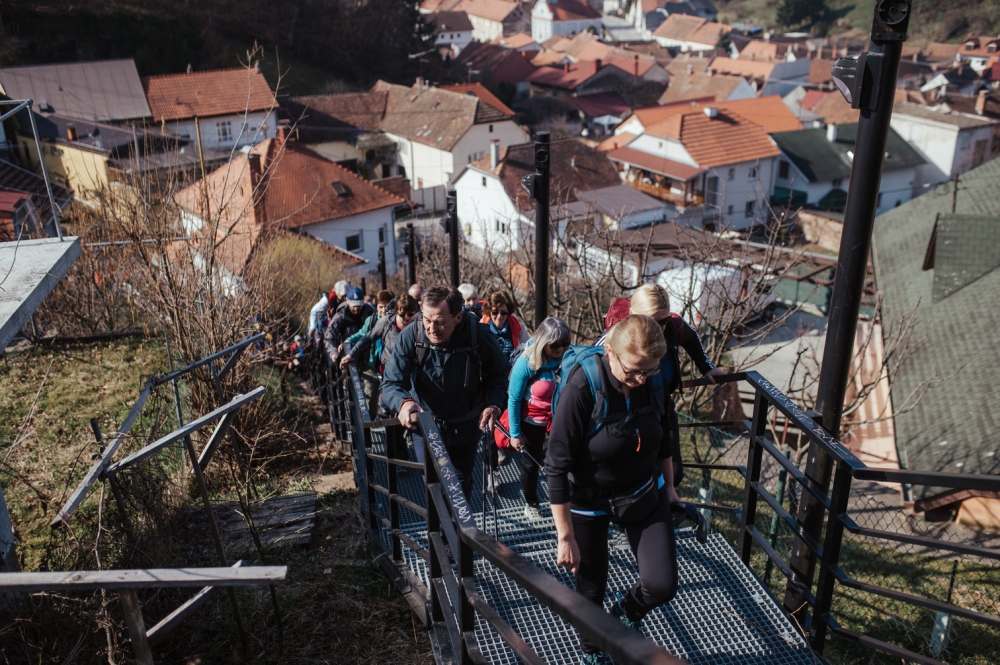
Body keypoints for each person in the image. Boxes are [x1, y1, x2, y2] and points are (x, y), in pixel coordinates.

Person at [545, 315, 681, 664]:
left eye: (649, 371)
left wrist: (670, 490)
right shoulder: (582, 388)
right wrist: (565, 536)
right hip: (590, 499)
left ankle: (626, 611)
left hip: (643, 490)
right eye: (634, 370)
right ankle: (593, 651)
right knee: (591, 589)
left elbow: (664, 434)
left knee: (661, 584)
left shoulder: (653, 380)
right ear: (610, 352)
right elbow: (556, 465)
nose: (640, 379)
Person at [381, 286, 509, 498]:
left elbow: (499, 376)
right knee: (434, 488)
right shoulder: (411, 335)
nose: (432, 328)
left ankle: (458, 532)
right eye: (427, 320)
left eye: (439, 321)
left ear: (458, 316)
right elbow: (390, 383)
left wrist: (494, 404)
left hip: (465, 426)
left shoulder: (478, 336)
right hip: (425, 426)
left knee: (459, 489)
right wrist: (403, 403)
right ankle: (440, 531)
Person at [630, 284, 726, 485]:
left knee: (673, 473)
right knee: (641, 471)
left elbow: (691, 337)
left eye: (663, 320)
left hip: (663, 404)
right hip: (631, 412)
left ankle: (664, 505)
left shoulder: (672, 327)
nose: (659, 328)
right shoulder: (620, 338)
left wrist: (706, 367)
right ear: (633, 316)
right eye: (652, 321)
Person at [507, 317, 570, 520]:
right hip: (531, 421)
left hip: (558, 418)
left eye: (564, 344)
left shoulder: (567, 357)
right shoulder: (527, 362)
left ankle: (565, 502)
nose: (560, 349)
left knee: (562, 461)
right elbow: (514, 398)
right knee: (531, 463)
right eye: (554, 345)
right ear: (544, 342)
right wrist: (515, 434)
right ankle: (532, 502)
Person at [341, 292, 418, 386]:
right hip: (390, 370)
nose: (406, 318)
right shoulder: (386, 322)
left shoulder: (418, 324)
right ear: (396, 311)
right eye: (402, 315)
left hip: (411, 371)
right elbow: (368, 338)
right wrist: (351, 354)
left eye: (410, 315)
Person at [480, 291, 529, 364]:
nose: (499, 317)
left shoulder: (517, 327)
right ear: (489, 312)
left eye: (503, 313)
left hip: (511, 371)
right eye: (495, 312)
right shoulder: (482, 327)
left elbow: (528, 350)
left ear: (509, 313)